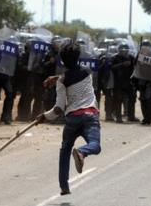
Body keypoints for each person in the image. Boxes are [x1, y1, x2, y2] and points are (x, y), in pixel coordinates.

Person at [36, 40, 101, 195]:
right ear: (78, 57)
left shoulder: (62, 81)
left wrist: (44, 117)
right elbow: (76, 72)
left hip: (72, 118)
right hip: (90, 116)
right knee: (95, 146)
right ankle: (82, 152)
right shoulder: (87, 72)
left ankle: (64, 187)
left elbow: (58, 109)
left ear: (62, 60)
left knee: (65, 150)